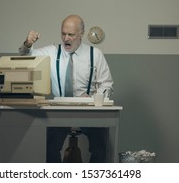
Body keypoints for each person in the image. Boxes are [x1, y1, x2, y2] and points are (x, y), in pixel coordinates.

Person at [19, 14, 114, 162]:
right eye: (63, 34)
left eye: (71, 34)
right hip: (59, 110)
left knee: (101, 145)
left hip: (88, 110)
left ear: (81, 34)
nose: (66, 38)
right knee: (49, 146)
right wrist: (28, 44)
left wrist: (92, 99)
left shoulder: (95, 54)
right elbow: (25, 57)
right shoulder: (51, 51)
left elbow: (106, 83)